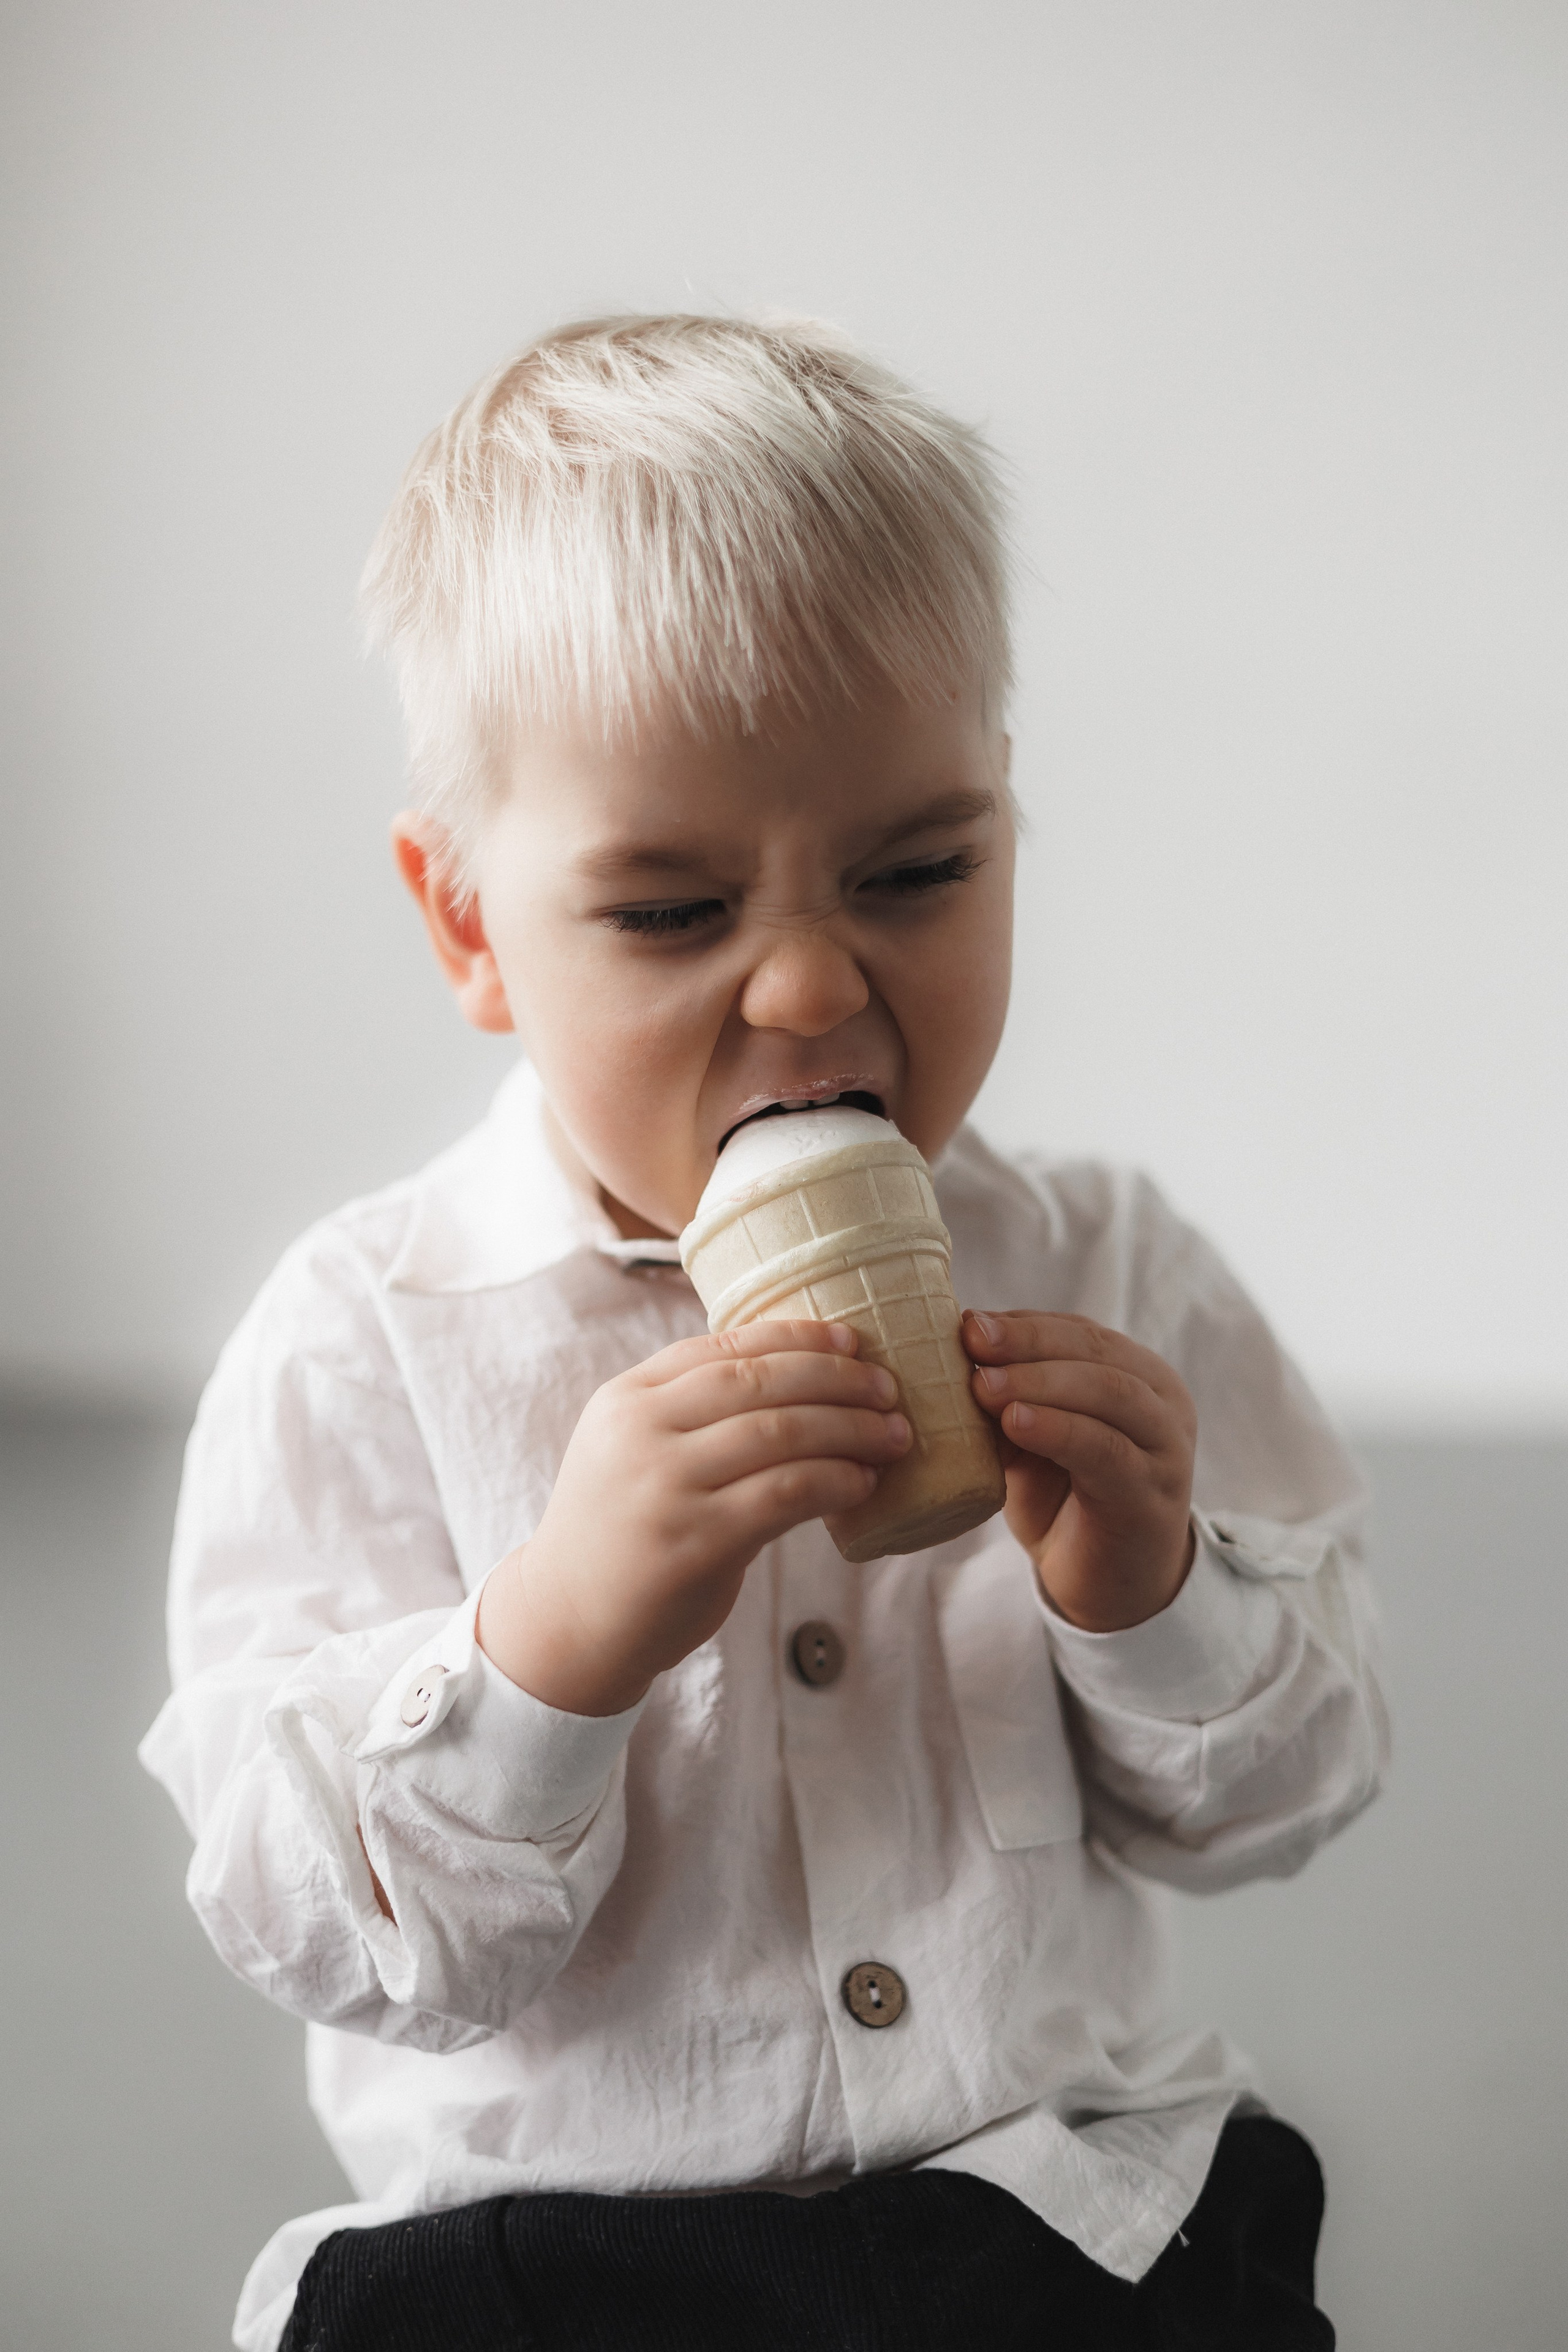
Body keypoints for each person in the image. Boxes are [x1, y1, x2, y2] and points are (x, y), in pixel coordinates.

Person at [140, 314, 1386, 2352]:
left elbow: (1295, 1791)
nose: (810, 989)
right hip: (573, 2252)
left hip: (1047, 2196)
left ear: (1006, 829)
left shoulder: (1110, 1260)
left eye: (915, 872)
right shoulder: (364, 1342)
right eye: (670, 912)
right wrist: (545, 1644)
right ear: (469, 923)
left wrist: (1153, 1591)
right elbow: (322, 1932)